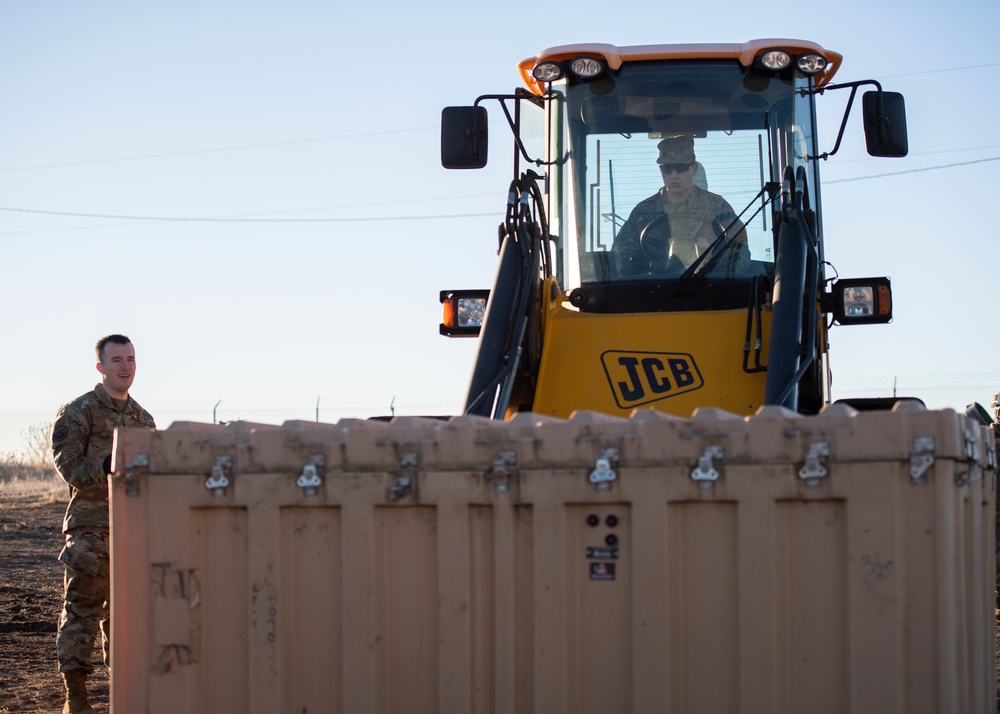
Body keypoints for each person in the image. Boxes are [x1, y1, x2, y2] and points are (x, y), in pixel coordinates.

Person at [51, 334, 155, 714]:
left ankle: (123, 694)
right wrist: (108, 466)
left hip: (134, 532)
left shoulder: (144, 420)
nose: (125, 367)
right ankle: (75, 699)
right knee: (82, 613)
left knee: (127, 619)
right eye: (116, 360)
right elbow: (70, 470)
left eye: (130, 359)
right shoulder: (80, 412)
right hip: (91, 532)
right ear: (101, 367)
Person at [612, 135, 750, 276]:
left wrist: (713, 254)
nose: (674, 175)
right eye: (667, 169)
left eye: (681, 168)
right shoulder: (642, 211)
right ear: (661, 170)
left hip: (708, 288)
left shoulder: (717, 206)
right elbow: (621, 258)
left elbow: (741, 255)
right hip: (654, 290)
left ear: (694, 169)